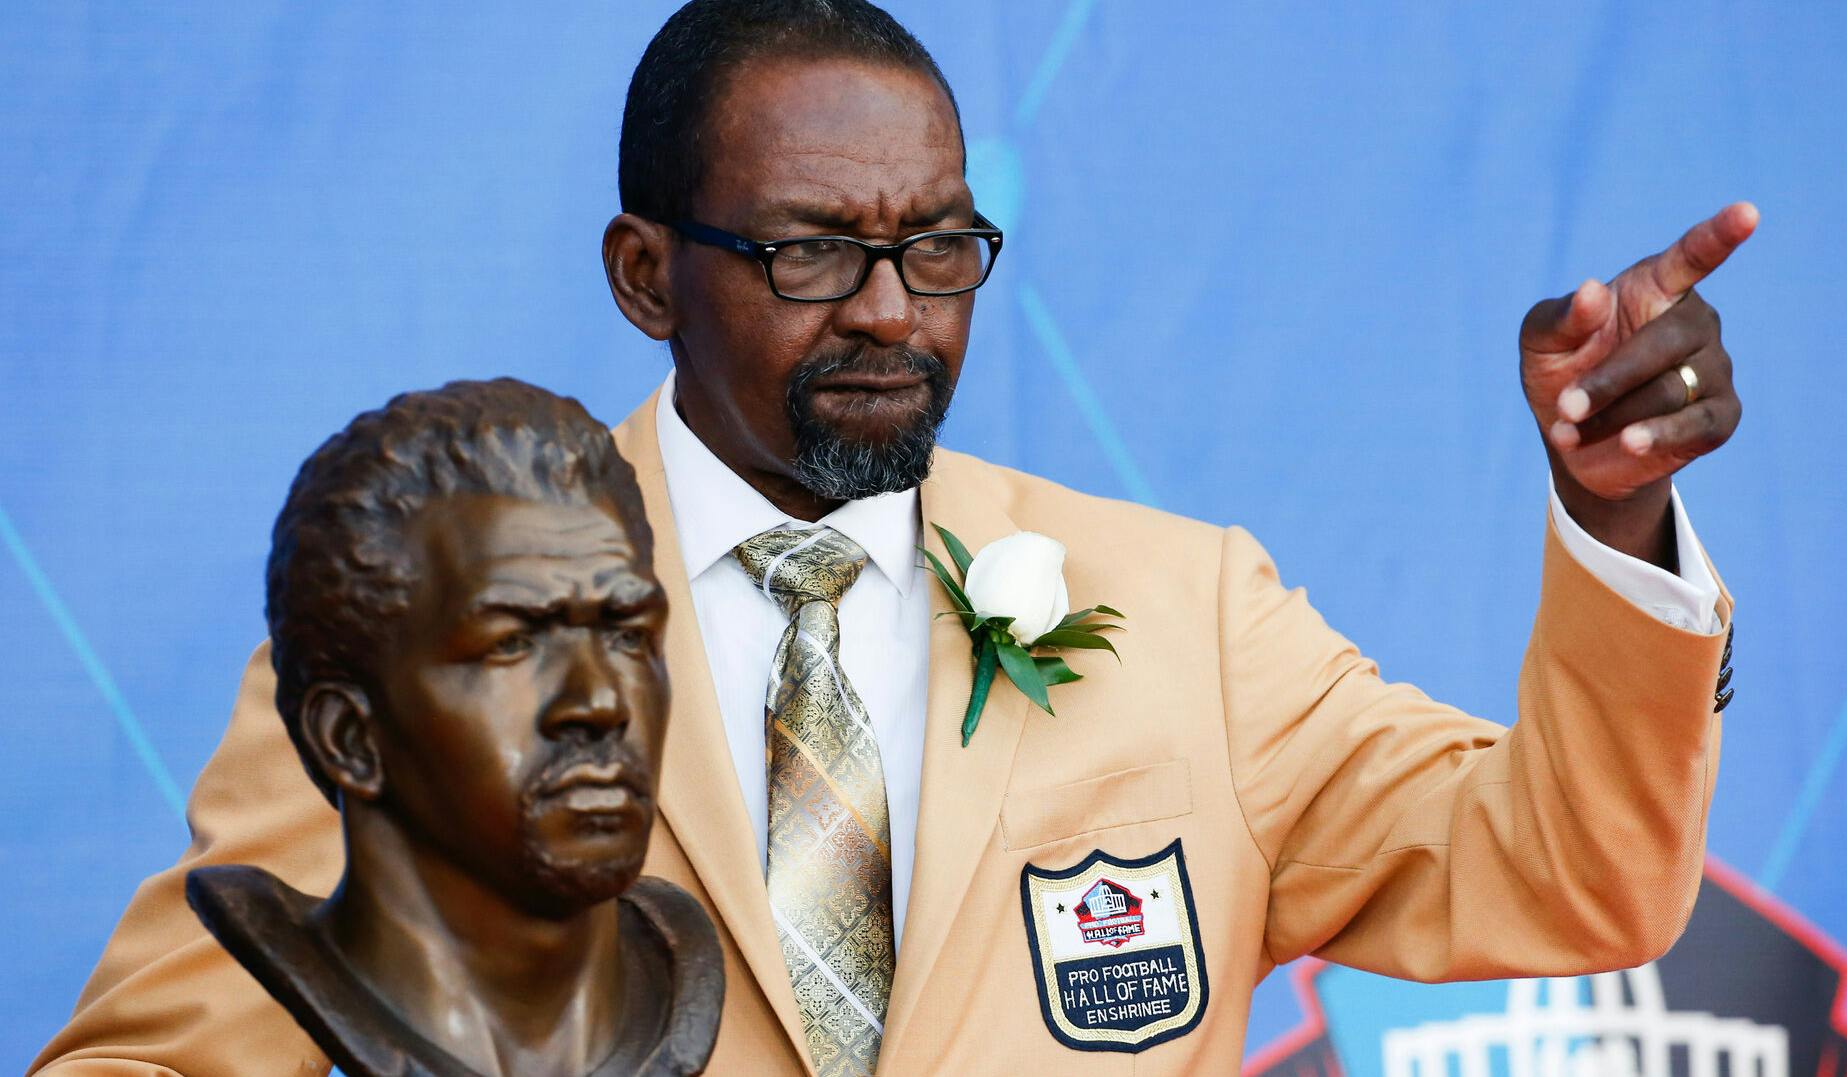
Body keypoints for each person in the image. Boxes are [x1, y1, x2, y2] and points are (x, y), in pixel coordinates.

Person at [34, 1, 1751, 1073]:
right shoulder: (431, 621)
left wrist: (1617, 518)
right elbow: (163, 1056)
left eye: (938, 249)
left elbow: (1573, 871)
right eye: (809, 253)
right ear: (648, 275)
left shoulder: (1179, 608)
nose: (891, 315)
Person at [182, 378, 723, 1076]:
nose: (598, 702)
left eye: (626, 634)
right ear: (349, 737)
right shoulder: (258, 979)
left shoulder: (675, 963)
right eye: (511, 643)